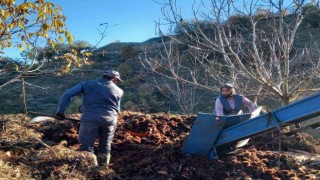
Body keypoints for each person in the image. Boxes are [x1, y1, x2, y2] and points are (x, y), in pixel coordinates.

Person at [55, 70, 124, 167]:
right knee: (105, 148)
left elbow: (66, 95)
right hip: (110, 121)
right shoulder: (120, 91)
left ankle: (88, 171)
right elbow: (117, 110)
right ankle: (103, 170)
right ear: (114, 79)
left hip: (90, 119)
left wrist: (60, 112)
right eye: (117, 81)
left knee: (86, 148)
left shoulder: (86, 84)